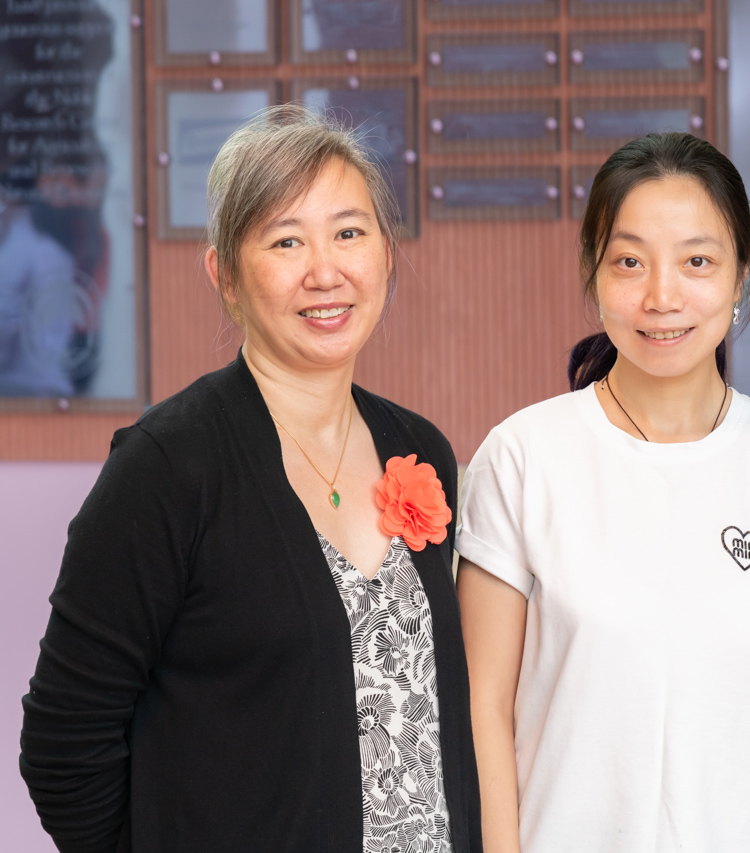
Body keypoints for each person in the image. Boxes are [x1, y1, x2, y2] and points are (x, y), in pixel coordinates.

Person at [20, 105, 481, 853]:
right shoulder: (167, 466)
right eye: (286, 240)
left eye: (349, 233)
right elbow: (63, 742)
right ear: (226, 275)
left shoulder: (418, 447)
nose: (325, 271)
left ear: (386, 255)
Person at [456, 132, 750, 853]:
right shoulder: (522, 457)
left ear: (741, 275)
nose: (662, 297)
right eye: (630, 262)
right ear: (594, 273)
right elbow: (482, 709)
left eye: (697, 261)